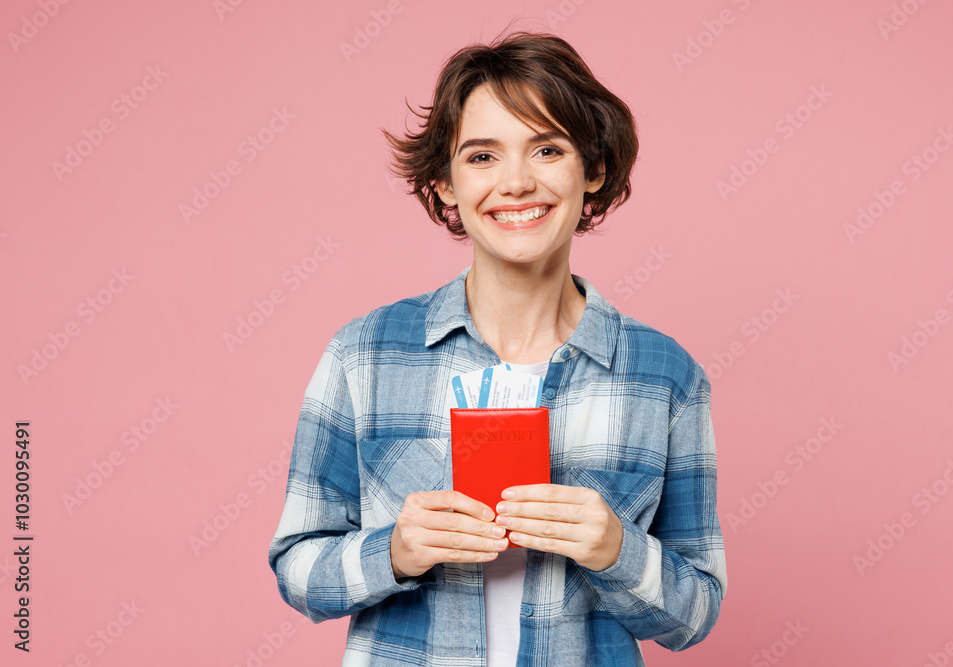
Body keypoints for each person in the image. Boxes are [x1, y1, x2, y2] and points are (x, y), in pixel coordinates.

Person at [268, 29, 727, 666]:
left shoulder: (666, 376)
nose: (515, 182)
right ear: (447, 183)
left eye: (546, 149)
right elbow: (297, 567)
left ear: (592, 170)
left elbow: (694, 614)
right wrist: (396, 550)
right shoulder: (363, 356)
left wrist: (618, 548)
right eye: (482, 156)